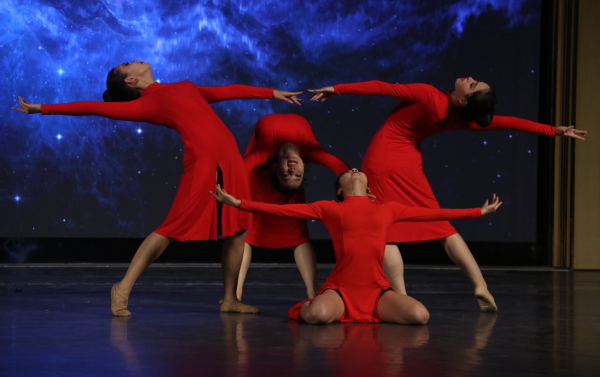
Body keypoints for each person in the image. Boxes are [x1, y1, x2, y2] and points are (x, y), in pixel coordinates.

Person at [12, 60, 302, 316]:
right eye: (127, 64)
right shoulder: (146, 104)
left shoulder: (184, 87)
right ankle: (122, 288)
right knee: (171, 228)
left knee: (238, 229)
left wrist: (271, 92)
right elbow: (92, 107)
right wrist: (43, 109)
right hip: (204, 163)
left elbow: (227, 91)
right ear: (130, 79)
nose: (134, 60)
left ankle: (230, 299)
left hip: (231, 161)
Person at [308, 78, 587, 312]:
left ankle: (401, 296)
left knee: (389, 230)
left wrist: (338, 89)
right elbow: (506, 122)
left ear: (464, 100)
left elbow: (382, 87)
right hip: (408, 161)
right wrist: (553, 131)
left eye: (472, 84)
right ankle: (480, 285)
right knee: (441, 226)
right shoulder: (460, 117)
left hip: (382, 161)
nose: (469, 78)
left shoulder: (430, 95)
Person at [211, 168, 502, 324]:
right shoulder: (330, 208)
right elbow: (282, 210)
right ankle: (307, 306)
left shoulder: (388, 209)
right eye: (348, 171)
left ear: (369, 186)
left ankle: (368, 312)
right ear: (340, 189)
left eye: (358, 169)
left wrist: (478, 212)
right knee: (317, 316)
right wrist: (238, 203)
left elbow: (434, 214)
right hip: (341, 290)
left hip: (377, 291)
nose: (354, 169)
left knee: (420, 316)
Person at [238, 113, 350, 300]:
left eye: (286, 175)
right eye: (297, 175)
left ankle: (312, 292)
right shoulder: (311, 151)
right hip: (260, 183)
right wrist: (356, 190)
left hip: (257, 179)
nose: (292, 171)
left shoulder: (266, 151)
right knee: (249, 232)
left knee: (295, 233)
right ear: (304, 166)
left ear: (275, 167)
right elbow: (340, 166)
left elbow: (240, 170)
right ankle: (236, 293)